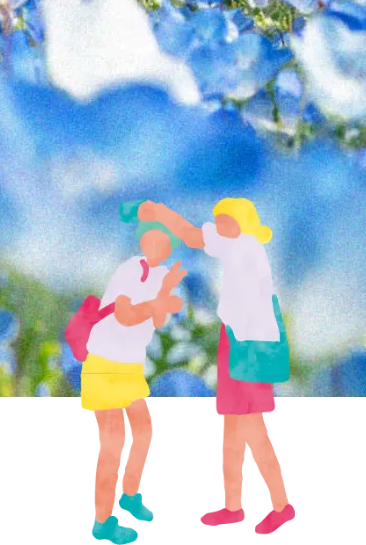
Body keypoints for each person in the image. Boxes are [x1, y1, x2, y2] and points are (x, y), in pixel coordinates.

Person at [138, 196, 297, 539]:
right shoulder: (240, 246)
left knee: (253, 432)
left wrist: (162, 213)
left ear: (238, 224)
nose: (218, 225)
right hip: (236, 342)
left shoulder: (244, 247)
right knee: (232, 433)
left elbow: (195, 238)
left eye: (223, 220)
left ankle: (281, 506)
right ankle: (235, 507)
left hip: (252, 347)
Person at [79, 212, 188, 544]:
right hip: (105, 365)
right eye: (157, 240)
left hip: (128, 365)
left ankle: (128, 494)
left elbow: (162, 312)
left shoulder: (158, 274)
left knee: (142, 432)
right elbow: (126, 313)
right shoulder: (129, 269)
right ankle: (103, 522)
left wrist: (165, 296)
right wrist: (159, 302)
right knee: (112, 445)